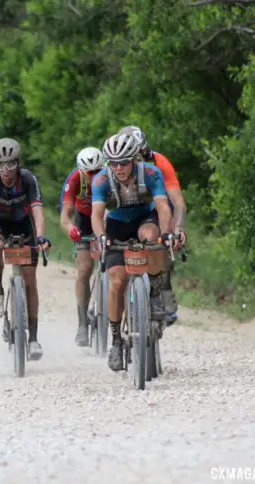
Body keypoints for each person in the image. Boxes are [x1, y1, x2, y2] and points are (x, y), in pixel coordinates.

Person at [90, 132, 177, 372]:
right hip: (117, 225)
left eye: (124, 162)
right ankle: (117, 340)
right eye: (113, 162)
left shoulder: (151, 173)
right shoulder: (100, 180)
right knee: (117, 281)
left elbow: (162, 207)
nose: (118, 168)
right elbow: (97, 215)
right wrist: (101, 238)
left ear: (135, 159)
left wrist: (167, 233)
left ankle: (157, 288)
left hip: (144, 218)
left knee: (153, 238)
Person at [0, 138, 52, 361]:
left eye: (10, 164)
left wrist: (40, 237)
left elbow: (38, 210)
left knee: (30, 280)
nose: (6, 170)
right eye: (0, 165)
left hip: (25, 225)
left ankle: (33, 339)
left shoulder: (28, 179)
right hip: (1, 224)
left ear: (17, 163)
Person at [118, 125, 186, 326]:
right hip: (124, 207)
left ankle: (162, 286)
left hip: (156, 204)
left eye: (142, 154)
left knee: (162, 239)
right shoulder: (116, 165)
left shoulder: (159, 162)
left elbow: (178, 202)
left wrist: (178, 230)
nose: (137, 160)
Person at [59, 146, 105, 346]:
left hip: (107, 218)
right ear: (81, 171)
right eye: (89, 173)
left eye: (97, 172)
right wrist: (71, 229)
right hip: (84, 220)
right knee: (85, 269)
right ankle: (82, 324)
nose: (94, 177)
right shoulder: (75, 180)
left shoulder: (110, 177)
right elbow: (65, 216)